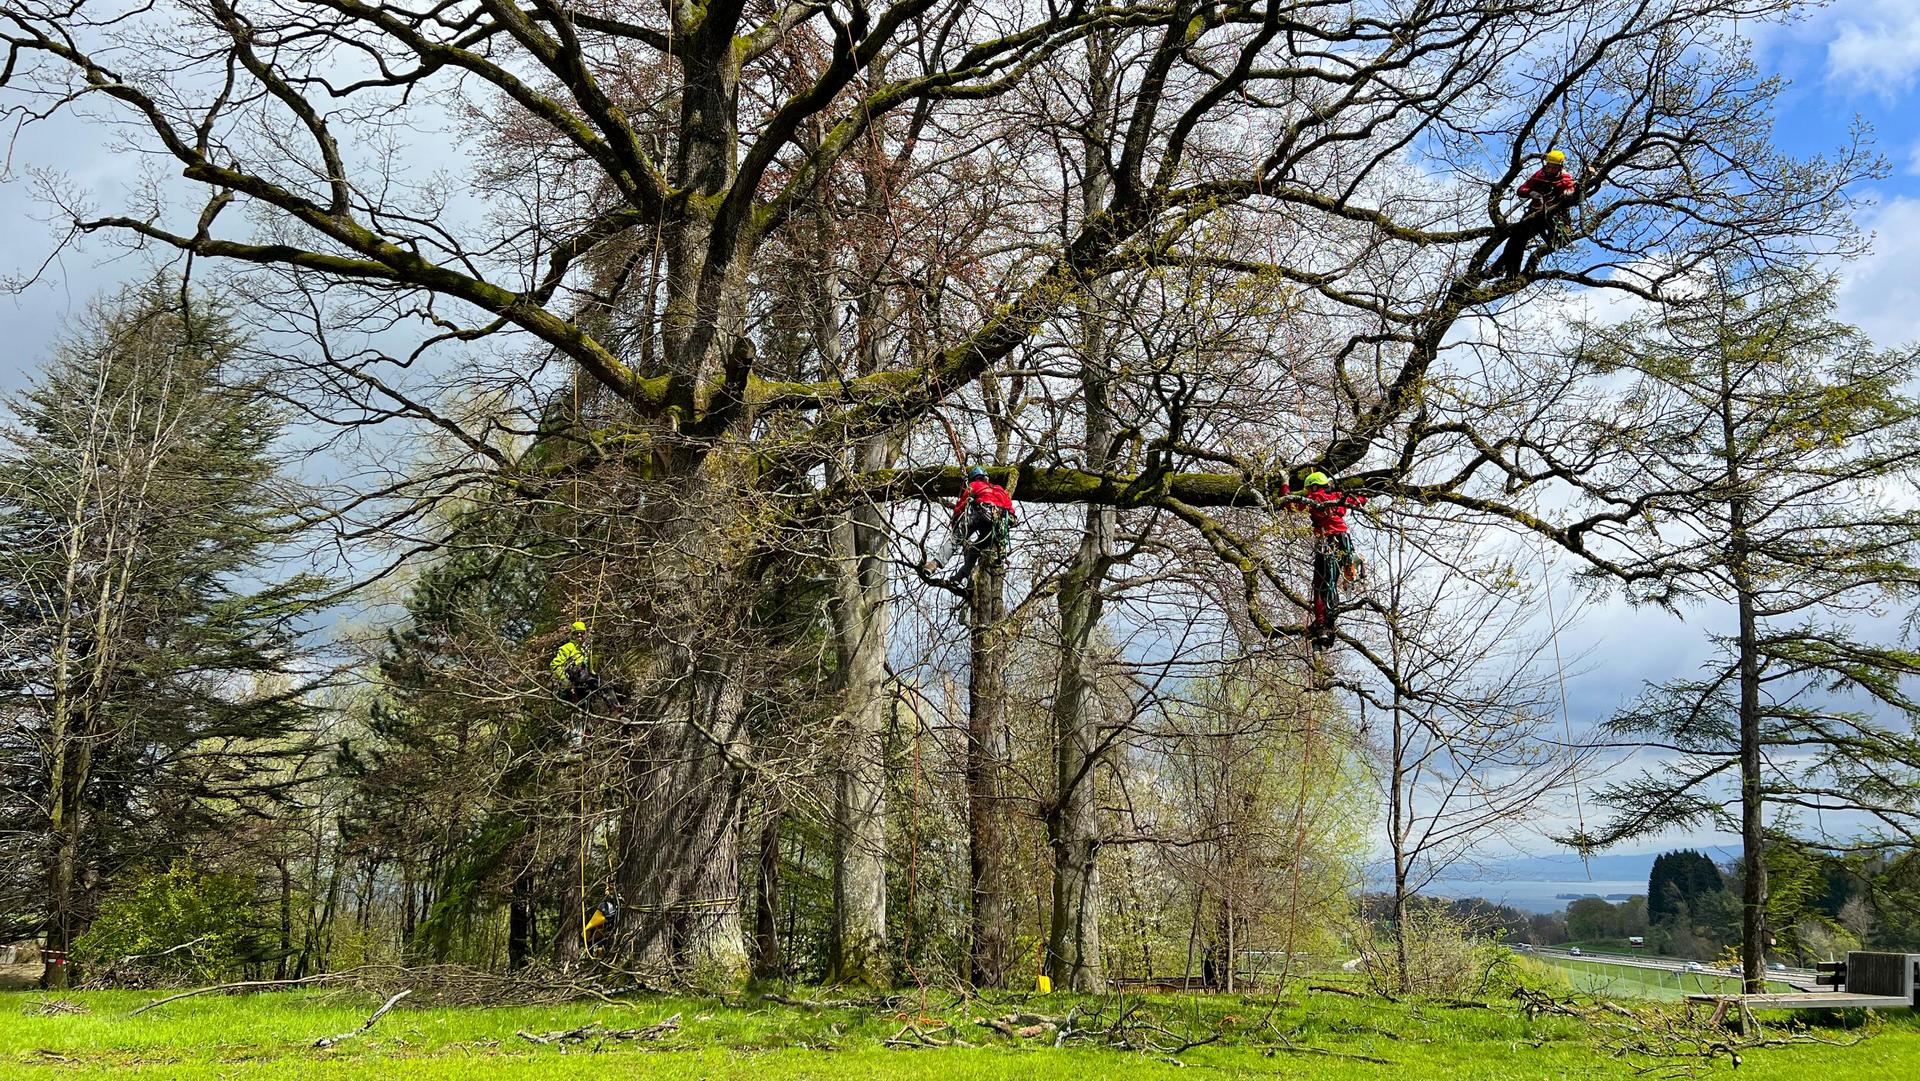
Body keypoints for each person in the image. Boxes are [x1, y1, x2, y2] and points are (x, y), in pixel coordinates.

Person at [1280, 471, 1368, 645]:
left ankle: (1322, 622)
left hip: (1327, 542)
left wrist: (1285, 483)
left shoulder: (1313, 498)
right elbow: (1361, 499)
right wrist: (1344, 493)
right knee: (1332, 583)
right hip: (1343, 540)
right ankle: (1349, 563)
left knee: (1321, 586)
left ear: (1313, 486)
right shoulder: (1338, 496)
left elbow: (1288, 504)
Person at [1494, 149, 1580, 277]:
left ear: (1560, 166)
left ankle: (1499, 269)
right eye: (1549, 166)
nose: (1550, 169)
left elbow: (1570, 189)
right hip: (1534, 213)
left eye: (1553, 167)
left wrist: (1568, 193)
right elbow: (1521, 189)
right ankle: (1506, 271)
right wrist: (1530, 193)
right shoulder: (1540, 174)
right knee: (1516, 240)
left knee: (1518, 240)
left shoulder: (1565, 178)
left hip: (1552, 216)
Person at [945, 466, 1018, 583]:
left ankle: (935, 563)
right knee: (974, 550)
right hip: (997, 526)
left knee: (955, 539)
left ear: (975, 478)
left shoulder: (975, 485)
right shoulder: (1000, 490)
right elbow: (1010, 510)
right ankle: (961, 576)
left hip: (981, 516)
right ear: (986, 478)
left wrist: (954, 521)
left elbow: (962, 504)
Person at [550, 620, 600, 703]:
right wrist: (565, 680)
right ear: (572, 635)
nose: (579, 635)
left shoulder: (586, 647)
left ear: (585, 634)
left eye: (581, 633)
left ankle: (616, 709)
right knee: (583, 706)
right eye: (576, 633)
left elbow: (592, 666)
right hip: (575, 682)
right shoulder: (567, 647)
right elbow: (554, 665)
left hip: (587, 679)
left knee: (604, 686)